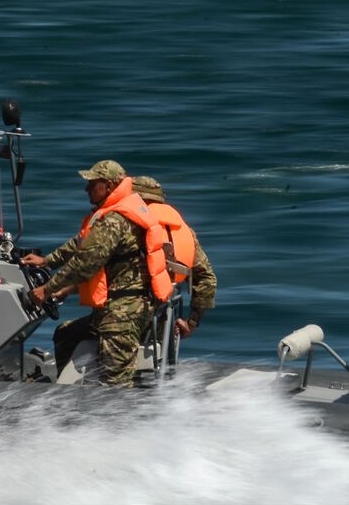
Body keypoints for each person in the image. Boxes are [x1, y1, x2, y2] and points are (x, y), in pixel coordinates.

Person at [23, 160, 172, 387]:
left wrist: (48, 288)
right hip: (121, 306)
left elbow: (85, 263)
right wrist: (47, 261)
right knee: (66, 335)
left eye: (93, 183)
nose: (87, 188)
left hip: (122, 313)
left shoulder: (114, 221)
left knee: (115, 386)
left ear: (109, 186)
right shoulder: (112, 214)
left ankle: (113, 418)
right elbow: (82, 243)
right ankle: (68, 397)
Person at [131, 176, 217, 338]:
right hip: (165, 323)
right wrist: (191, 323)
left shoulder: (129, 227)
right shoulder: (184, 231)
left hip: (125, 318)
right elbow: (207, 279)